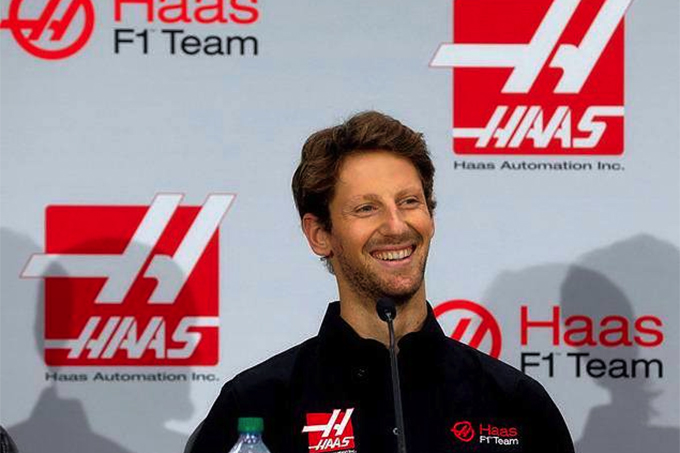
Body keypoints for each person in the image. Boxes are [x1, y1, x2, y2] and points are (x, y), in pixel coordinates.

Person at [186, 111, 575, 453]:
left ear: (430, 217)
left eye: (409, 202)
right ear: (320, 234)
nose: (395, 225)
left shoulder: (515, 403)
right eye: (366, 208)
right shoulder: (257, 405)